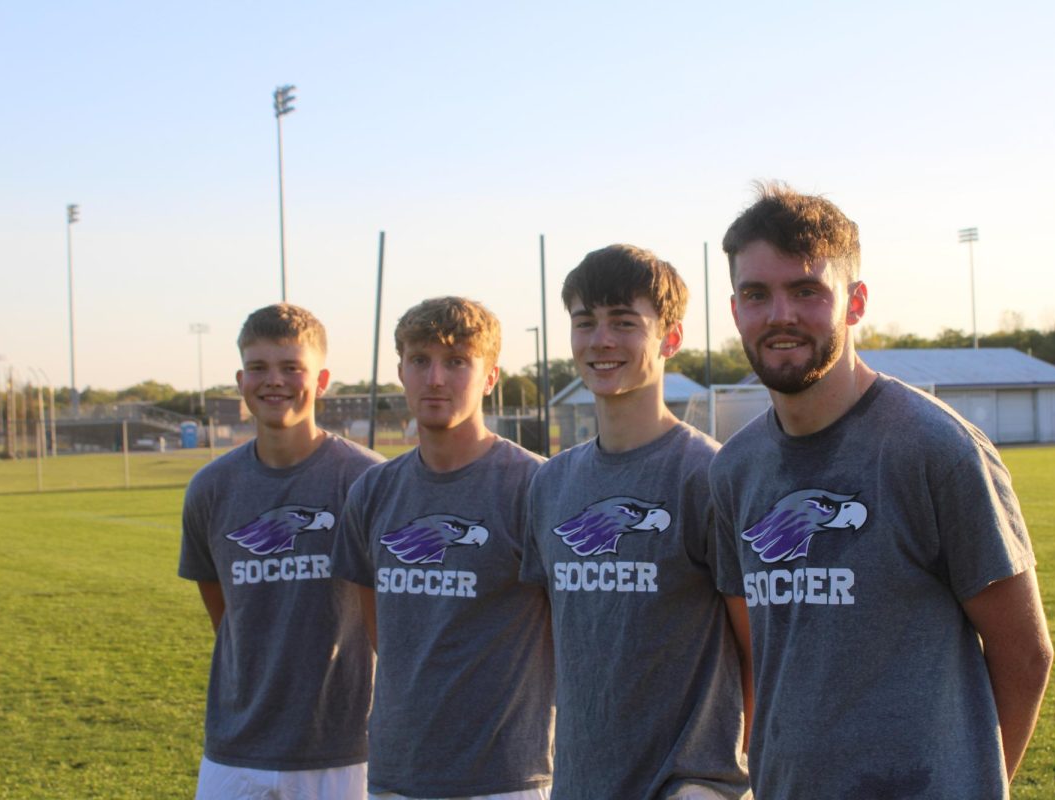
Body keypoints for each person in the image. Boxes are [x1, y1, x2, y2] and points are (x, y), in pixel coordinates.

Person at [709, 182, 1054, 798]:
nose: (780, 314)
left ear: (855, 301)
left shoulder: (935, 449)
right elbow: (761, 659)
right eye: (756, 293)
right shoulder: (735, 469)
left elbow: (1026, 654)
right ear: (735, 309)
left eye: (807, 289)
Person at [521, 245, 752, 800]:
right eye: (586, 322)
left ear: (670, 338)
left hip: (690, 785)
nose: (601, 340)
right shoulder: (551, 484)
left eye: (624, 323)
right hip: (580, 782)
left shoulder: (711, 476)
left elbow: (757, 647)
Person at [331, 296, 553, 800]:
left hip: (506, 777)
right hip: (397, 770)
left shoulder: (536, 485)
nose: (435, 378)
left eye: (457, 362)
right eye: (420, 361)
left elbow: (568, 629)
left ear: (490, 376)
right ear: (401, 372)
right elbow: (381, 629)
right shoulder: (373, 491)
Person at [178, 303, 384, 800]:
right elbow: (225, 608)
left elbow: (390, 612)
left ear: (322, 379)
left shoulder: (368, 480)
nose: (275, 381)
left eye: (292, 367)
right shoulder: (211, 487)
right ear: (240, 378)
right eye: (259, 367)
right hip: (236, 749)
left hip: (344, 749)